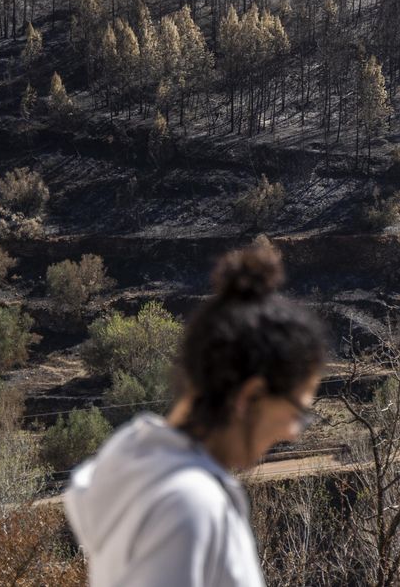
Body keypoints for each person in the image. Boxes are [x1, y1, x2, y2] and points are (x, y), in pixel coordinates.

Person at [64, 242, 327, 587]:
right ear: (250, 397)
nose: (295, 432)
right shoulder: (190, 506)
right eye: (297, 411)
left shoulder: (130, 457)